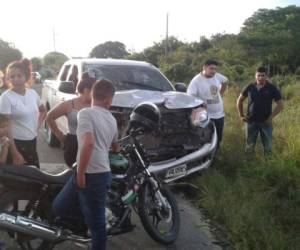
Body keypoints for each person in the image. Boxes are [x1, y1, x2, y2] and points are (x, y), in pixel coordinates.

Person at [52, 79, 120, 250]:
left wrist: (81, 173)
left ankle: (94, 217)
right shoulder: (112, 119)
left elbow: (88, 143)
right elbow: (116, 147)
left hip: (90, 174)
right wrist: (81, 173)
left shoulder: (85, 114)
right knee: (59, 207)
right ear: (109, 101)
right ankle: (91, 215)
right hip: (95, 173)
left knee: (97, 227)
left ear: (92, 96)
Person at [0, 59, 46, 167]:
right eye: (12, 76)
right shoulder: (5, 98)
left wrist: (37, 126)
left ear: (26, 76)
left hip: (32, 142)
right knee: (17, 182)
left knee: (35, 179)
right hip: (15, 144)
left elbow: (43, 111)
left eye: (19, 75)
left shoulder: (33, 93)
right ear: (8, 78)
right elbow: (5, 128)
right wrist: (15, 153)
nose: (15, 79)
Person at [46, 73, 96, 167]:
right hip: (73, 144)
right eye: (96, 92)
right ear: (86, 90)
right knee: (74, 174)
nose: (99, 95)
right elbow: (49, 117)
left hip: (92, 145)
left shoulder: (97, 105)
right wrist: (60, 135)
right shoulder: (69, 104)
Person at [237, 66, 284, 155]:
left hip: (266, 122)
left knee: (268, 147)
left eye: (263, 75)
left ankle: (268, 165)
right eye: (259, 75)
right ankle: (249, 165)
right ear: (255, 76)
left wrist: (271, 117)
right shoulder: (250, 87)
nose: (261, 77)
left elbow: (280, 105)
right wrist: (241, 115)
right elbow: (239, 100)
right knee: (249, 147)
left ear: (266, 76)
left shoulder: (272, 88)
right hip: (251, 121)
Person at [187, 59, 228, 148]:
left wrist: (221, 93)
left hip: (220, 114)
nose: (213, 71)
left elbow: (225, 81)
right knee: (206, 139)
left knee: (219, 137)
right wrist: (200, 103)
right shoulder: (196, 81)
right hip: (205, 116)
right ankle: (205, 157)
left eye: (215, 69)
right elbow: (190, 96)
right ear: (204, 67)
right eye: (211, 68)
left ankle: (216, 155)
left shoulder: (217, 76)